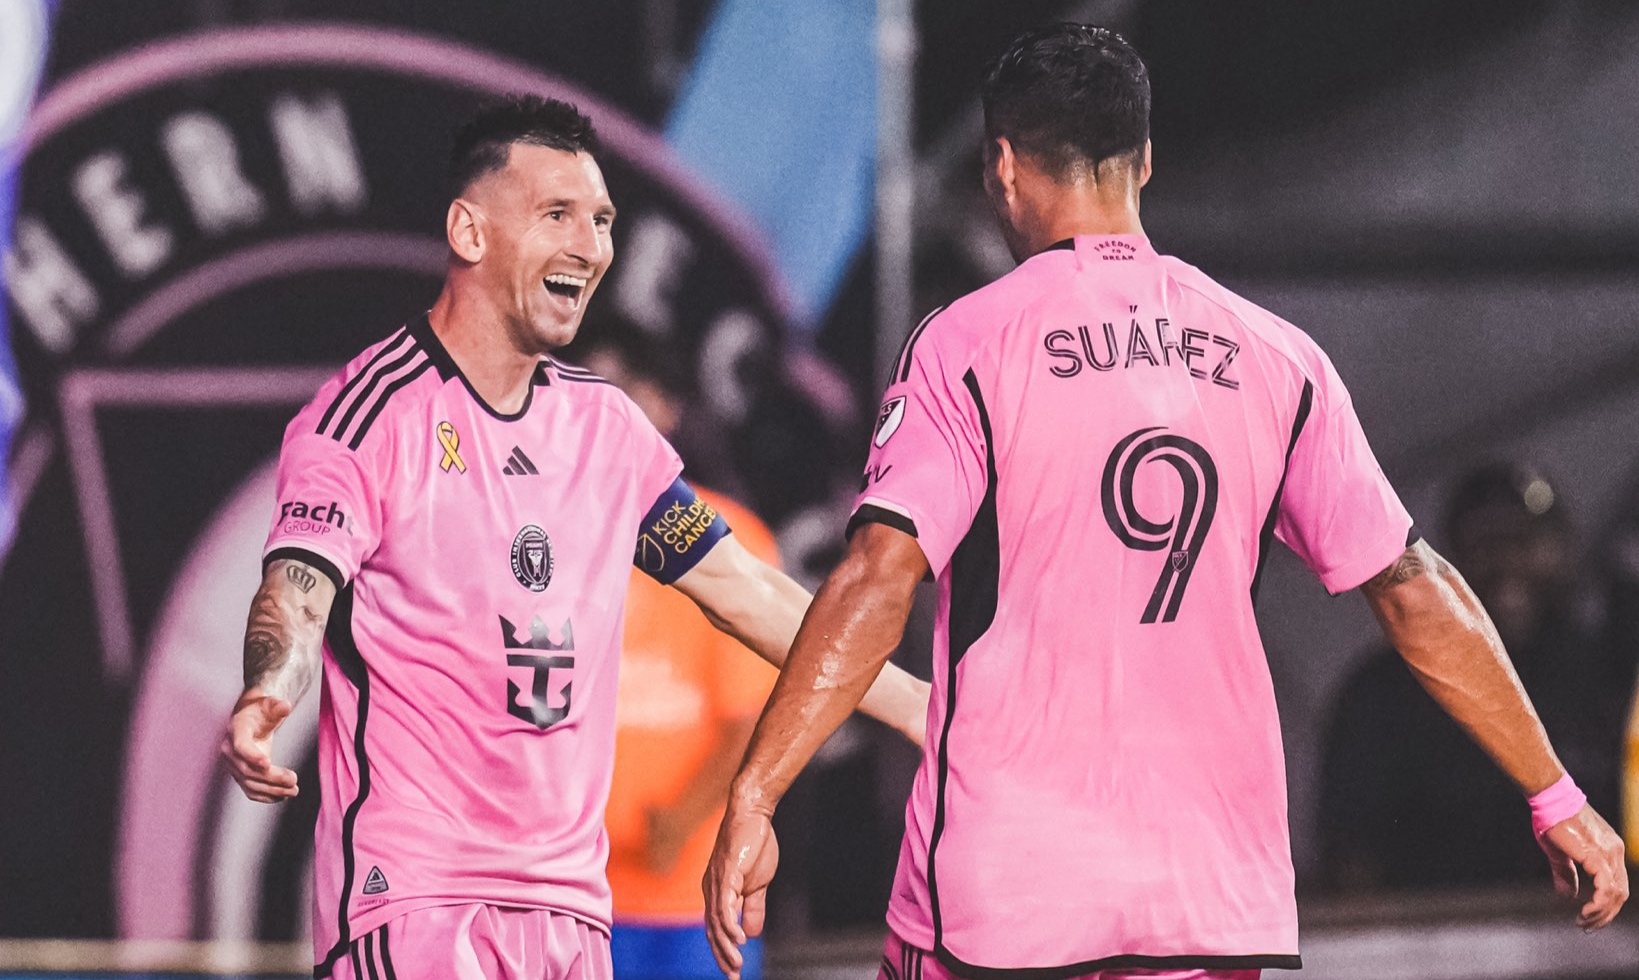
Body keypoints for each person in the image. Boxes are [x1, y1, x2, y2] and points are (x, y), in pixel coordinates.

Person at [702, 24, 1628, 980]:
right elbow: (1410, 587)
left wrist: (757, 796)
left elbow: (877, 578)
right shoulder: (1276, 356)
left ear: (1002, 168)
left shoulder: (967, 346)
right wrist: (1554, 796)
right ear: (1143, 161)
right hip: (1207, 901)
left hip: (1008, 902)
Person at [217, 96, 929, 980]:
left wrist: (916, 706)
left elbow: (745, 592)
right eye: (557, 214)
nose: (590, 245)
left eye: (601, 221)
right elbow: (298, 588)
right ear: (469, 232)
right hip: (418, 906)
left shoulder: (605, 428)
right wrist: (270, 686)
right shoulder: (371, 416)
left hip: (571, 918)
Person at [1322, 463, 1624, 890]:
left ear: (1563, 550)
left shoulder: (1607, 673)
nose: (1507, 561)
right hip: (1437, 925)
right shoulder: (1386, 689)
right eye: (1486, 544)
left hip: (1592, 919)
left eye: (1524, 541)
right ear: (1448, 561)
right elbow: (1349, 860)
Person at [582, 338, 777, 980]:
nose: (606, 413)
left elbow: (757, 718)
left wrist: (679, 824)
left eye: (626, 393)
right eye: (588, 394)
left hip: (696, 899)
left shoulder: (728, 537)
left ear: (666, 407)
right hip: (565, 894)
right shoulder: (539, 540)